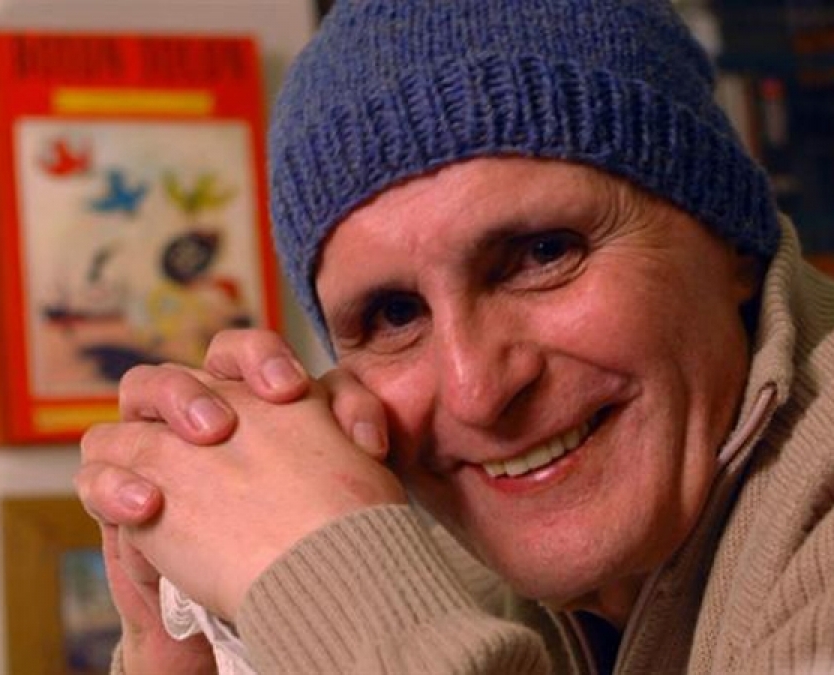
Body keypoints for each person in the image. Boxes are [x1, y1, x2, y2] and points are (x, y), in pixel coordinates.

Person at [75, 0, 834, 673]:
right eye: (394, 315)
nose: (476, 390)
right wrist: (205, 654)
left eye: (544, 253)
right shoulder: (442, 542)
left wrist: (323, 581)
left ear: (733, 243)